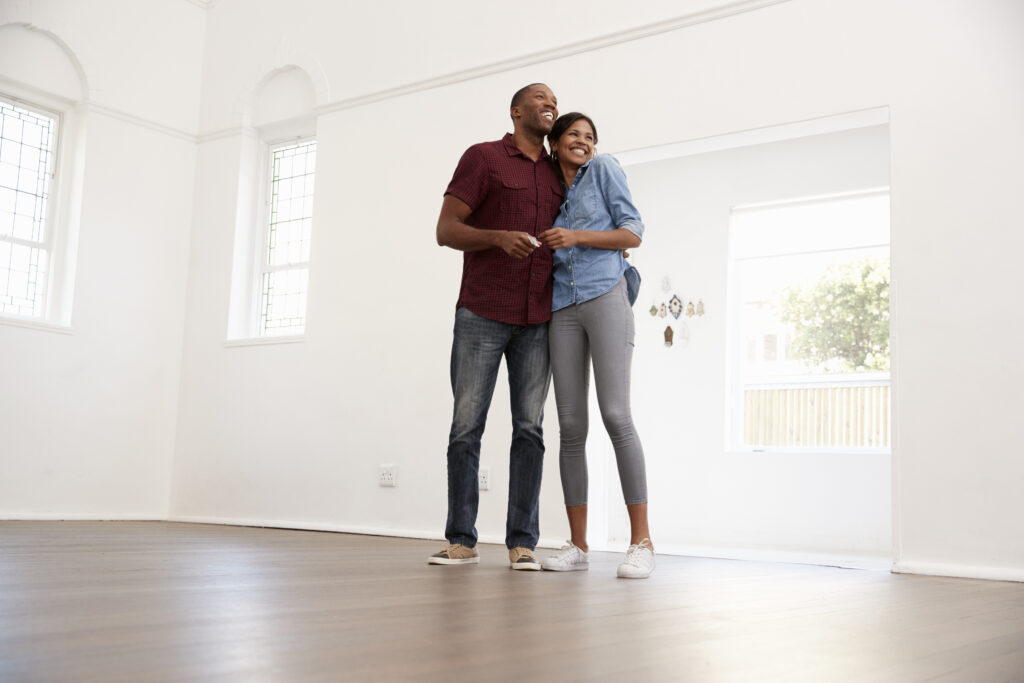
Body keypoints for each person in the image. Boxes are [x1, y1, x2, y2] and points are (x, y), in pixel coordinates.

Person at [430, 83, 562, 570]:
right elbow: (446, 230)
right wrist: (496, 238)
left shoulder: (560, 172)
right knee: (466, 428)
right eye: (541, 97)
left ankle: (522, 542)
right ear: (516, 111)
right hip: (482, 314)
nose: (551, 103)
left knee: (530, 429)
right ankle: (461, 540)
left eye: (555, 98)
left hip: (539, 319)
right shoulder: (483, 158)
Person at [537, 112, 655, 579]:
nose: (583, 142)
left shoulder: (603, 168)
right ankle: (578, 544)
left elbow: (633, 232)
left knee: (616, 415)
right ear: (555, 143)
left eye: (589, 136)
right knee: (569, 425)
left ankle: (641, 542)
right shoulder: (547, 189)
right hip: (561, 304)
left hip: (605, 293)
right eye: (574, 135)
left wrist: (577, 236)